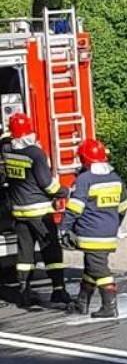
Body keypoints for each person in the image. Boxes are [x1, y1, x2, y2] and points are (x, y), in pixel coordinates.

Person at [0, 112, 69, 309]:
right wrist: (64, 191)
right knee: (51, 249)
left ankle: (24, 293)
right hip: (40, 212)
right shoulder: (35, 153)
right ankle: (58, 289)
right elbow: (48, 185)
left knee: (25, 254)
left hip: (19, 213)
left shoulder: (7, 150)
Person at [65, 138, 127, 319]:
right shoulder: (115, 179)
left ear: (84, 159)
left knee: (99, 270)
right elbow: (123, 207)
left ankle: (109, 307)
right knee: (91, 267)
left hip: (91, 234)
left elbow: (75, 208)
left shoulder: (85, 179)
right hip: (108, 233)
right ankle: (82, 302)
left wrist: (64, 229)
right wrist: (112, 223)